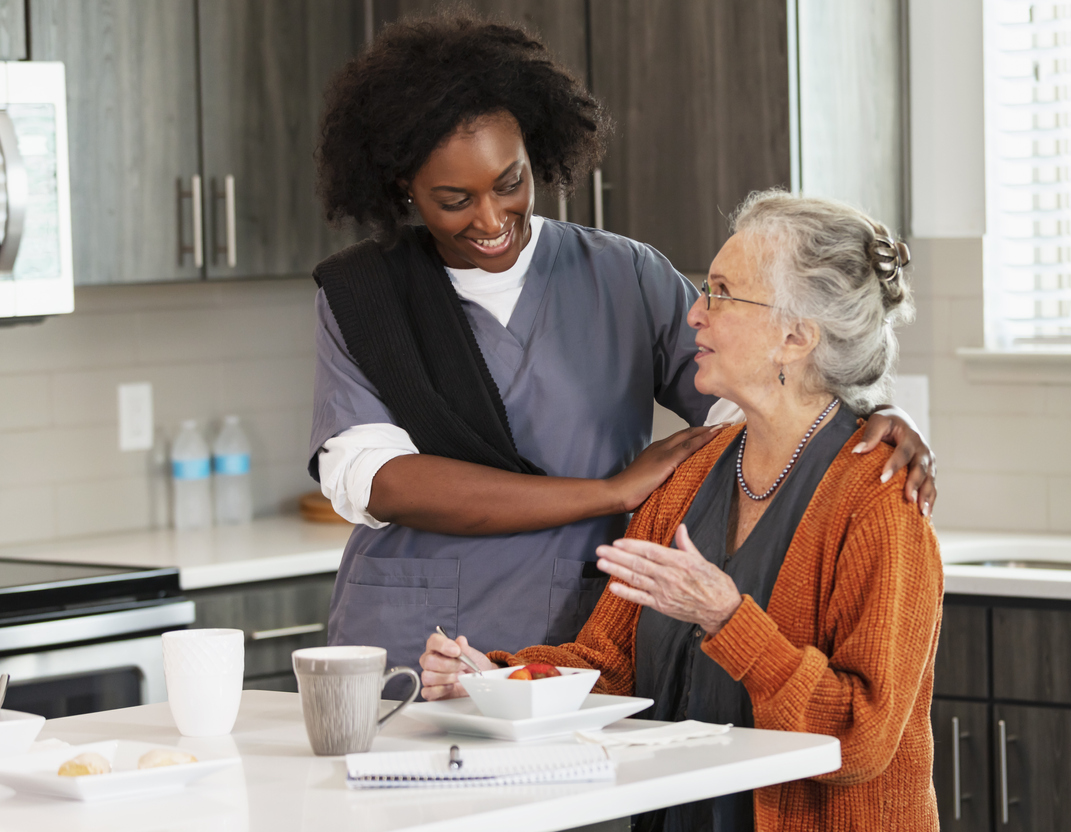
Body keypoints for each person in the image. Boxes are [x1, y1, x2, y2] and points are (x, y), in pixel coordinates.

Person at [309, 14, 938, 683]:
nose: (491, 220)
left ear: (537, 155)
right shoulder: (363, 295)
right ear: (404, 186)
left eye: (510, 182)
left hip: (576, 642)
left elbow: (757, 395)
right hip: (413, 644)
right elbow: (381, 483)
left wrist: (863, 416)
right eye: (454, 199)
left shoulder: (624, 274)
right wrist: (610, 491)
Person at [421, 192, 944, 831]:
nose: (694, 313)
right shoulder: (690, 473)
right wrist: (498, 679)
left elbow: (859, 739)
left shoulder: (879, 502)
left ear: (794, 336)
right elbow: (611, 668)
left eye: (721, 291)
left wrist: (728, 619)